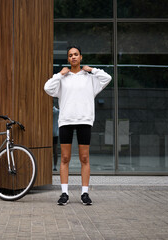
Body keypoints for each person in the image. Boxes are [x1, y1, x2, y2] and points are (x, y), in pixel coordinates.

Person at [44, 45, 112, 205]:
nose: (73, 57)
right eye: (70, 55)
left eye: (76, 54)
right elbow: (47, 87)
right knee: (65, 158)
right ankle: (64, 193)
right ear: (68, 59)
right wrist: (59, 74)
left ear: (80, 57)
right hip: (66, 121)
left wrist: (93, 69)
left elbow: (107, 78)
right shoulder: (62, 78)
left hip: (84, 120)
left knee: (84, 157)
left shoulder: (90, 78)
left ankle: (85, 193)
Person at [53, 106, 59, 171]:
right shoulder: (57, 111)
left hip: (49, 133)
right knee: (55, 150)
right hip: (55, 133)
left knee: (49, 150)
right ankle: (55, 166)